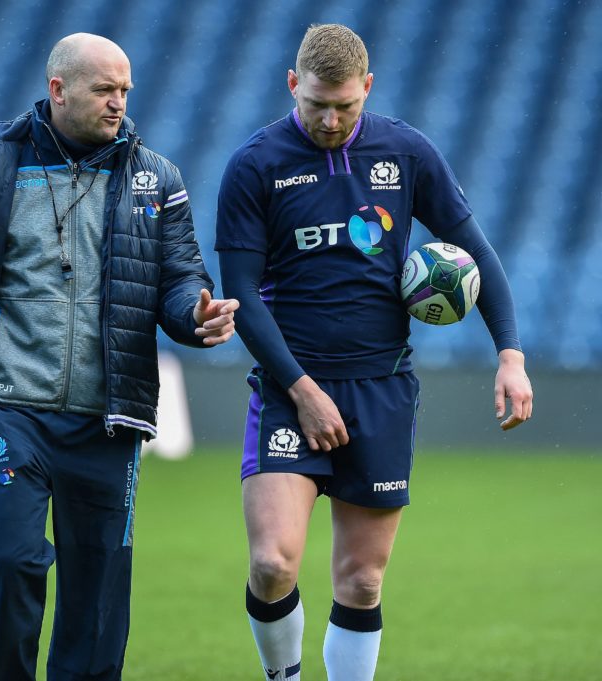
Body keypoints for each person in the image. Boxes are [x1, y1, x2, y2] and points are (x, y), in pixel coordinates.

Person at [0, 33, 238, 681]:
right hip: (12, 407)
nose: (119, 103)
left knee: (96, 601)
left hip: (109, 416)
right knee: (7, 557)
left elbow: (178, 280)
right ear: (58, 89)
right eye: (105, 90)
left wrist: (196, 316)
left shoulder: (157, 179)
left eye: (125, 91)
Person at [215, 24, 533, 681]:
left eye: (345, 106)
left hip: (380, 390)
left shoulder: (406, 153)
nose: (330, 120)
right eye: (316, 105)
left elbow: (478, 252)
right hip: (288, 389)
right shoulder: (255, 166)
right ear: (292, 85)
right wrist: (302, 390)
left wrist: (511, 354)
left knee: (361, 580)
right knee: (274, 562)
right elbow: (241, 291)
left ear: (368, 88)